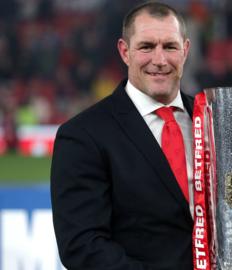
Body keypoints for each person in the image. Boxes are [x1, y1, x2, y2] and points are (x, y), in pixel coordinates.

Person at [51, 2, 194, 269]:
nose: (160, 60)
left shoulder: (212, 120)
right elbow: (83, 246)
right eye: (147, 47)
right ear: (125, 51)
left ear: (185, 50)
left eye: (170, 47)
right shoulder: (83, 135)